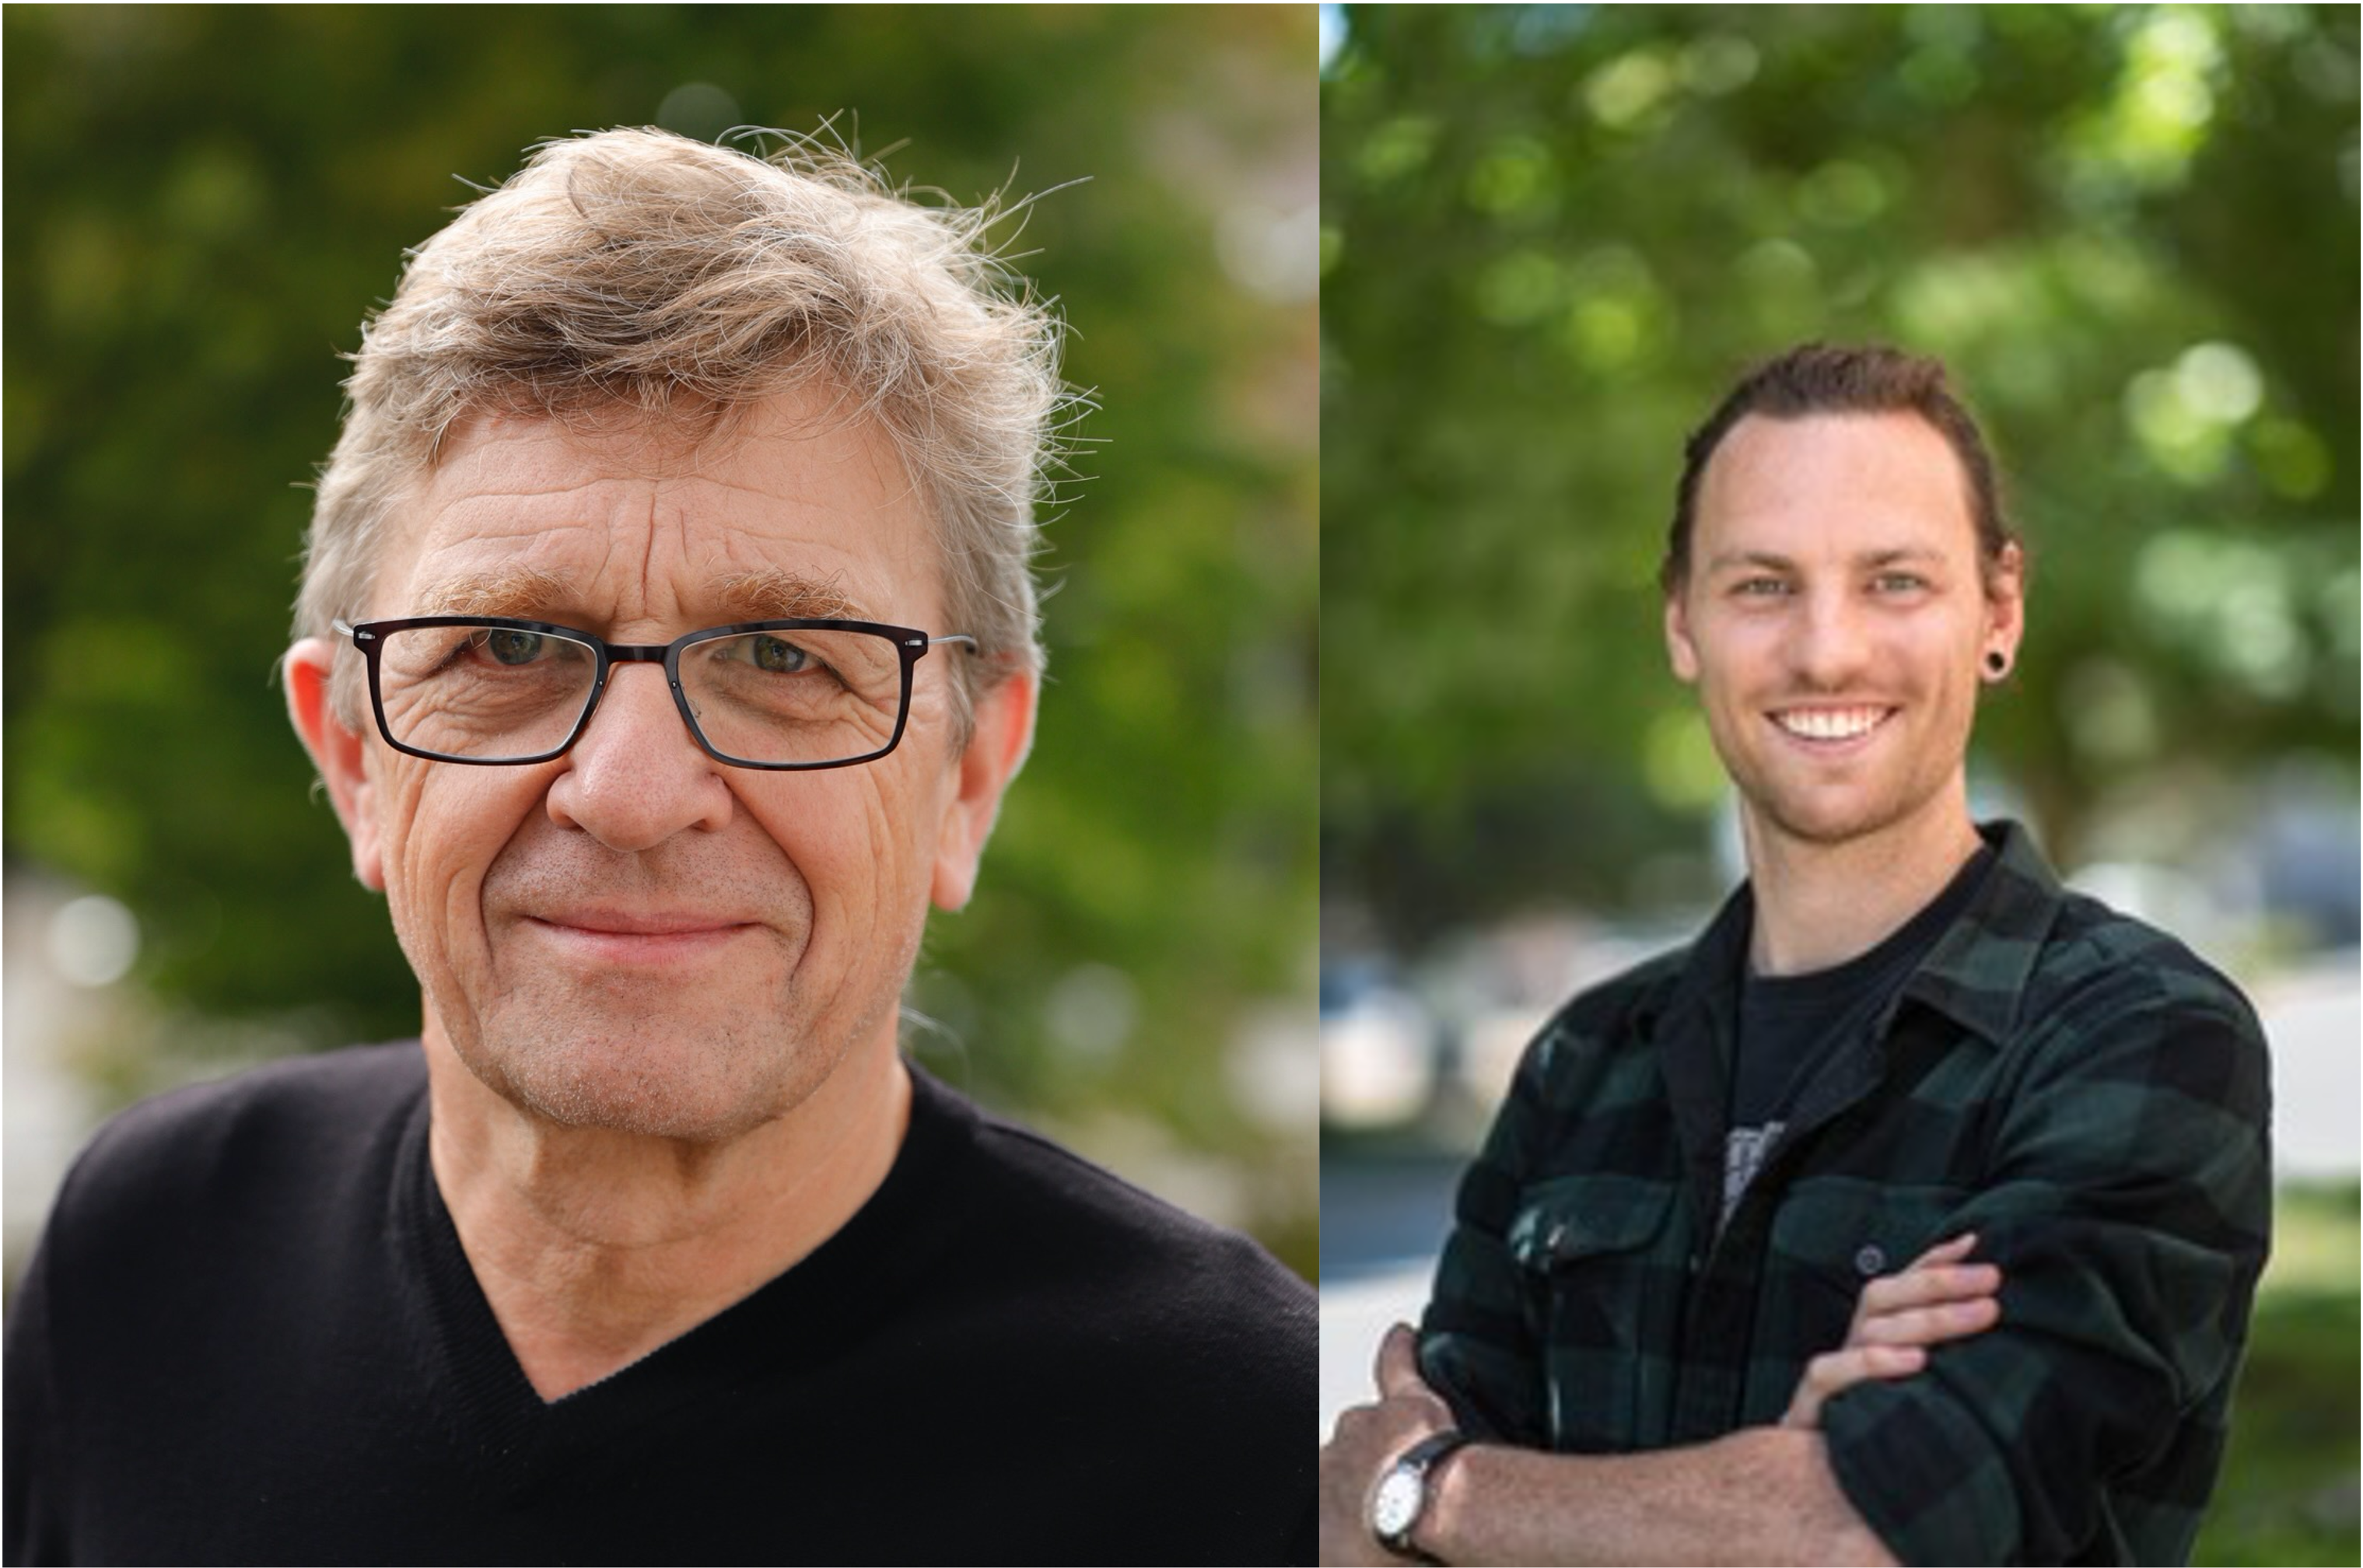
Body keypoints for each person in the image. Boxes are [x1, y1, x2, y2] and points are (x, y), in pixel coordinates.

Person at [2, 127, 1313, 1565]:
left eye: (784, 654)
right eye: (507, 644)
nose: (630, 792)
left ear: (970, 774)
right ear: (357, 757)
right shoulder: (149, 1254)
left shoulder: (1229, 1447)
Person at [1318, 343, 2270, 1566]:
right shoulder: (1582, 1061)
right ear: (1681, 623)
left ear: (2000, 612)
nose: (1826, 652)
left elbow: (1851, 1543)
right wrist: (1777, 1482)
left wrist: (1438, 1495)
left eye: (1893, 582)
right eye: (1763, 585)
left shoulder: (2139, 1038)